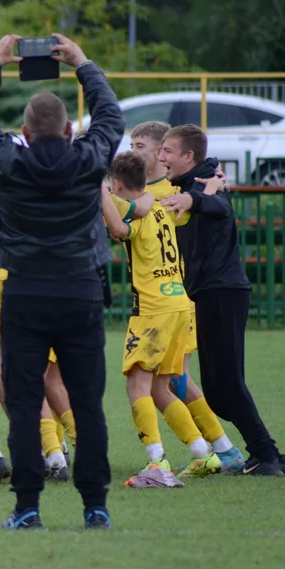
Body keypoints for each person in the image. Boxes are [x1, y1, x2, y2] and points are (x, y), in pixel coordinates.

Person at [0, 33, 123, 531]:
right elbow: (112, 119)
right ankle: (95, 505)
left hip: (26, 295)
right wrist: (82, 62)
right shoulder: (89, 160)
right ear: (70, 129)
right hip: (80, 293)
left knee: (27, 404)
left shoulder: (8, 163)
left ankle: (27, 506)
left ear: (25, 133)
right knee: (87, 405)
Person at [158, 124, 285, 477]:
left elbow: (219, 206)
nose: (160, 156)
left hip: (222, 290)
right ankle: (269, 454)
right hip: (210, 292)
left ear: (189, 156)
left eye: (167, 151)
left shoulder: (205, 183)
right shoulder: (199, 179)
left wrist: (192, 199)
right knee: (216, 392)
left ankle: (267, 456)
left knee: (228, 383)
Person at [122, 121, 244, 474]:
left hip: (169, 301)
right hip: (175, 297)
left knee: (167, 382)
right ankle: (217, 448)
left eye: (141, 145)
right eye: (132, 143)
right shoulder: (161, 187)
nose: (135, 151)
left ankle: (211, 450)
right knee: (171, 382)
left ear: (163, 152)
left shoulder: (163, 190)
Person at [101, 152, 223, 487]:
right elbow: (191, 208)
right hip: (181, 304)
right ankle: (203, 452)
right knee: (159, 386)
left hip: (153, 308)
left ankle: (157, 463)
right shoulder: (164, 205)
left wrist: (97, 193)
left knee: (135, 384)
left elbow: (116, 229)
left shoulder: (135, 210)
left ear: (117, 183)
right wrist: (211, 188)